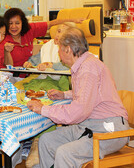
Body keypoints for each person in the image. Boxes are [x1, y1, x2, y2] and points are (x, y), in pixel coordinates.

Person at [27, 27, 129, 168]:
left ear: (68, 49)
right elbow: (91, 94)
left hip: (108, 131)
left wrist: (43, 110)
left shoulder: (88, 69)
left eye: (59, 49)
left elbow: (78, 112)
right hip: (90, 126)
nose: (58, 53)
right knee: (46, 140)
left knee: (65, 153)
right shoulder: (84, 65)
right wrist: (65, 94)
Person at [0, 8, 84, 71]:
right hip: (8, 74)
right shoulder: (3, 39)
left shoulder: (30, 30)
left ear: (22, 23)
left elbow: (51, 23)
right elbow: (9, 66)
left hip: (26, 74)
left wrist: (73, 20)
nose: (13, 27)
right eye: (10, 23)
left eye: (17, 23)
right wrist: (29, 63)